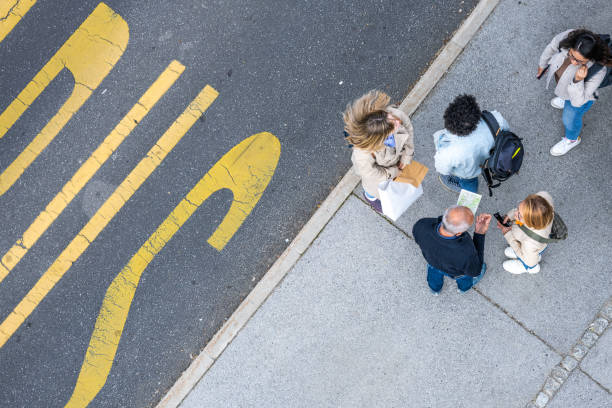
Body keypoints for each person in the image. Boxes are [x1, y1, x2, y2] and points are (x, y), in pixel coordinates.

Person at [537, 29, 612, 156]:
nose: (573, 62)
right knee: (565, 93)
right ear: (571, 45)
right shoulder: (570, 36)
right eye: (571, 55)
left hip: (581, 97)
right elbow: (552, 46)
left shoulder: (599, 70)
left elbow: (578, 101)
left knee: (569, 119)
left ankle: (572, 139)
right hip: (567, 88)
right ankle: (565, 97)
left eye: (580, 61)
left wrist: (578, 80)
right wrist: (542, 64)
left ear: (590, 58)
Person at [344, 90, 414, 213]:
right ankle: (370, 197)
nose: (398, 122)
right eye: (394, 126)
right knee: (376, 193)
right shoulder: (363, 154)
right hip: (380, 177)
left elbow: (409, 133)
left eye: (391, 118)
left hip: (396, 162)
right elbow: (370, 174)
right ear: (380, 137)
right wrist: (395, 171)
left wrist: (406, 158)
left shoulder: (396, 116)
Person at [433, 94, 509, 193]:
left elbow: (442, 169)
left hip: (469, 172)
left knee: (469, 182)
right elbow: (506, 134)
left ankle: (468, 199)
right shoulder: (496, 119)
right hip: (492, 158)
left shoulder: (448, 152)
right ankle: (468, 204)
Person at [413, 206, 491, 295]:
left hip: (433, 262)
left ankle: (435, 290)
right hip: (456, 272)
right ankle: (462, 289)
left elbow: (417, 238)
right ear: (458, 233)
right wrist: (479, 233)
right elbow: (475, 270)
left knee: (434, 275)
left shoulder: (422, 225)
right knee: (464, 279)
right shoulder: (465, 251)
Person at [496, 192, 554, 275]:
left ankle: (530, 269)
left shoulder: (530, 243)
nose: (515, 213)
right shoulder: (544, 198)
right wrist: (511, 215)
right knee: (528, 253)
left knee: (529, 261)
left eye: (519, 215)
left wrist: (507, 233)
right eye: (518, 208)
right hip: (531, 247)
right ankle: (533, 255)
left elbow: (530, 262)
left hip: (530, 253)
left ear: (529, 223)